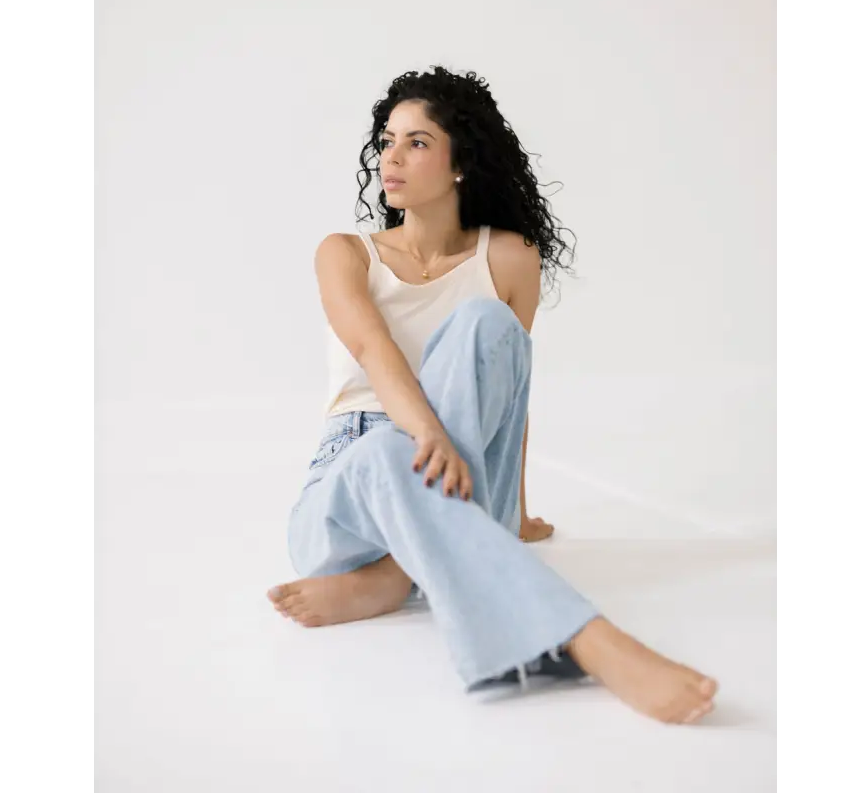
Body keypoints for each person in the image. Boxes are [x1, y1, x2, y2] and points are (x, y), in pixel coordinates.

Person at [268, 67, 718, 723]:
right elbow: (373, 350)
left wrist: (515, 508)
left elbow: (509, 392)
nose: (391, 156)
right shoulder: (345, 253)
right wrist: (423, 434)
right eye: (387, 141)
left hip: (460, 475)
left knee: (486, 325)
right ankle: (591, 642)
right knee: (386, 454)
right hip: (350, 486)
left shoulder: (508, 257)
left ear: (460, 164)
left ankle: (403, 572)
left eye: (417, 142)